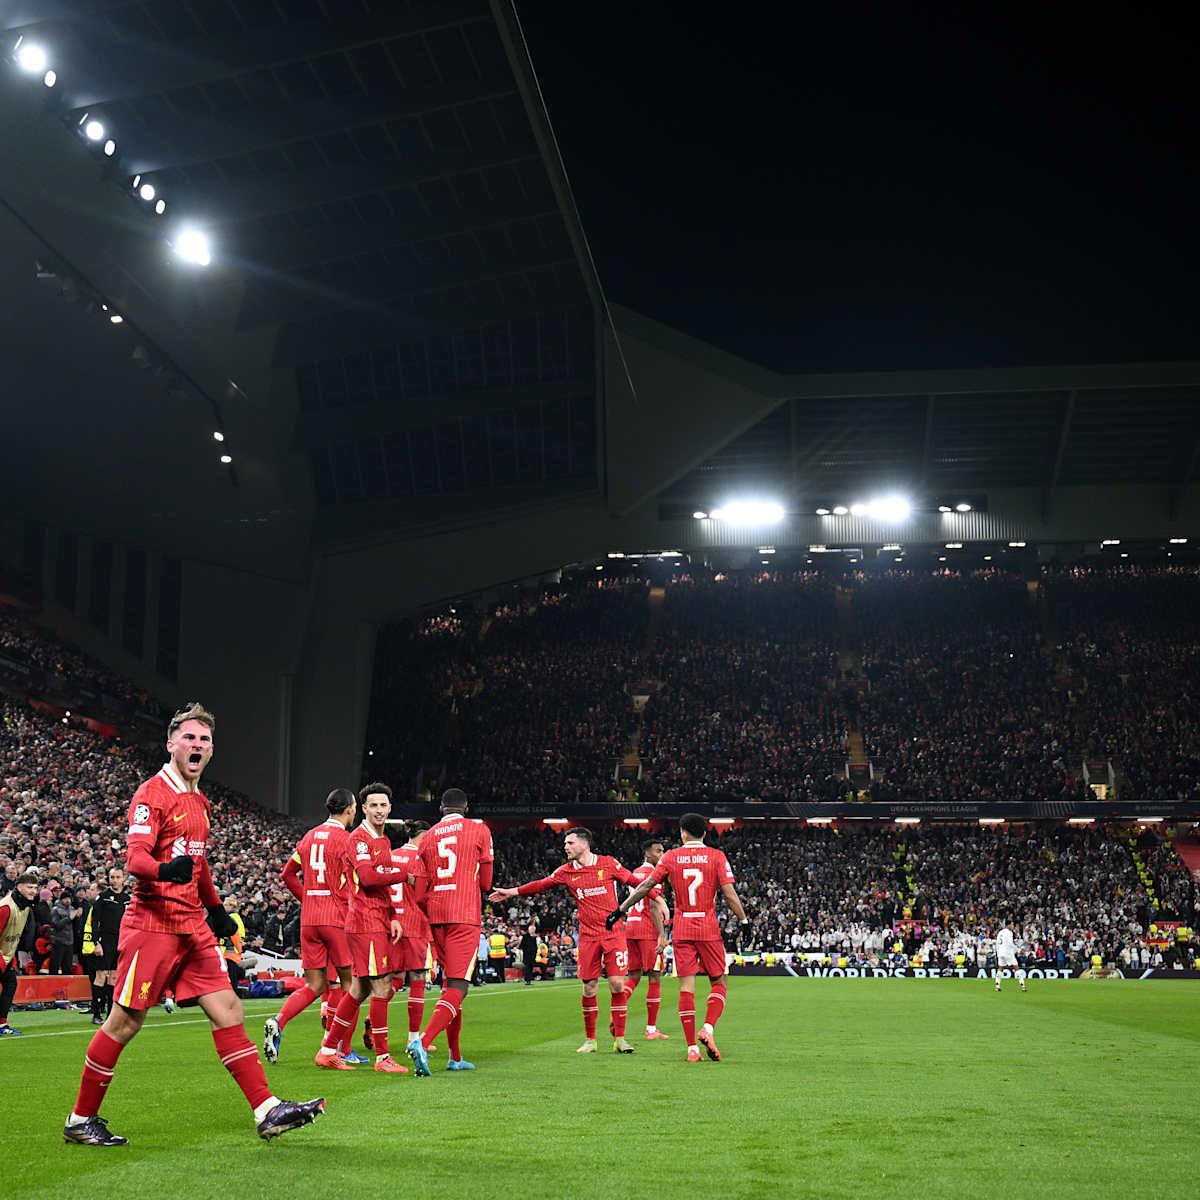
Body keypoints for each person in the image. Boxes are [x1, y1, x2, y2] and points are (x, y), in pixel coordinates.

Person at [62, 702, 325, 1145]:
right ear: (171, 744)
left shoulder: (200, 800)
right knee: (124, 1023)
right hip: (152, 924)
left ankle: (266, 1109)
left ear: (211, 748)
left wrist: (218, 912)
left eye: (204, 739)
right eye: (189, 737)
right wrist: (166, 872)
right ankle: (79, 1120)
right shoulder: (152, 793)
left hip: (192, 925)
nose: (197, 744)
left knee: (229, 1009)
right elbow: (136, 859)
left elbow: (198, 867)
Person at [609, 813, 747, 1063]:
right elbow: (729, 894)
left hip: (682, 931)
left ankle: (692, 1049)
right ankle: (708, 1028)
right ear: (705, 833)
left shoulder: (671, 857)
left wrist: (620, 909)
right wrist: (744, 920)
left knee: (686, 988)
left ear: (683, 832)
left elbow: (645, 887)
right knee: (719, 982)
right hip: (708, 929)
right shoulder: (716, 856)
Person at [491, 826, 639, 1055]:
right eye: (565, 844)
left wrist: (658, 900)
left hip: (614, 933)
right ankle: (590, 1040)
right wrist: (512, 892)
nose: (565, 847)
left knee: (618, 984)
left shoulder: (608, 863)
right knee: (589, 987)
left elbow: (634, 881)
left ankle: (620, 1038)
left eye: (569, 843)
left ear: (584, 844)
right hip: (589, 936)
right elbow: (541, 884)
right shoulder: (566, 871)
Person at [314, 782, 406, 1073]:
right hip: (364, 921)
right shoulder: (359, 840)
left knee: (358, 991)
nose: (379, 810)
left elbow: (382, 884)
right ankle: (382, 1058)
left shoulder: (384, 840)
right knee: (383, 986)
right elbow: (367, 878)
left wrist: (392, 914)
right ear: (362, 808)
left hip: (377, 919)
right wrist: (406, 873)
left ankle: (328, 1050)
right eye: (373, 805)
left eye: (383, 805)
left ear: (390, 808)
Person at [264, 788, 357, 1064]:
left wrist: (308, 897)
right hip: (336, 918)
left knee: (315, 984)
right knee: (351, 983)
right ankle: (340, 1049)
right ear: (350, 809)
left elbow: (287, 874)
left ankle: (279, 1021)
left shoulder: (308, 837)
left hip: (310, 919)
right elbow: (355, 881)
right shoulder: (346, 840)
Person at [407, 787, 493, 1076]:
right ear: (465, 807)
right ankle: (423, 1042)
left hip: (436, 915)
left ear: (441, 809)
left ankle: (455, 1057)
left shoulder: (427, 837)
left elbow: (418, 895)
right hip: (464, 914)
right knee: (459, 987)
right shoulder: (479, 830)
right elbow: (485, 883)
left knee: (449, 989)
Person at [386, 820, 433, 1050]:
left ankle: (372, 1018)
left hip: (391, 925)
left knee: (393, 979)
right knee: (417, 981)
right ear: (423, 836)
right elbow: (422, 895)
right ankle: (414, 1038)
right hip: (414, 925)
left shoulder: (391, 855)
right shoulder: (421, 859)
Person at [621, 839, 671, 1039]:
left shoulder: (634, 872)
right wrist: (661, 934)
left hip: (630, 927)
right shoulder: (654, 874)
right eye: (658, 851)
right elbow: (652, 906)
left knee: (633, 975)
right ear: (647, 854)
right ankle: (651, 1029)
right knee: (654, 976)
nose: (662, 854)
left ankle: (618, 1007)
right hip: (647, 930)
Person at [0, 873, 39, 1036]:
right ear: (19, 887)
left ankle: (2, 1024)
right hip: (1, 955)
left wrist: (11, 957)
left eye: (35, 888)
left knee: (10, 984)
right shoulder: (6, 907)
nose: (33, 891)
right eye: (29, 887)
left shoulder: (25, 906)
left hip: (7, 955)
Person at [91, 867, 130, 1022]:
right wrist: (96, 942)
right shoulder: (104, 897)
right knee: (100, 976)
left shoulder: (127, 898)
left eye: (117, 877)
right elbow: (94, 921)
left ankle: (110, 1014)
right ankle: (96, 1013)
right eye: (112, 877)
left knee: (113, 978)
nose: (114, 880)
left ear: (123, 878)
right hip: (104, 941)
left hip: (120, 942)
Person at [217, 895, 247, 989]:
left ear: (231, 906)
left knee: (231, 973)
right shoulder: (236, 917)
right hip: (233, 949)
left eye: (226, 905)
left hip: (230, 949)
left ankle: (232, 992)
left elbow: (233, 934)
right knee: (232, 973)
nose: (224, 907)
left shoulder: (231, 917)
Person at [994, 919, 1026, 992]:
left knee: (1000, 968)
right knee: (1016, 967)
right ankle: (1022, 985)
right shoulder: (1009, 932)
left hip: (1001, 953)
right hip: (1008, 953)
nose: (1013, 926)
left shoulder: (1000, 932)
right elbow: (1010, 944)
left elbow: (997, 943)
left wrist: (998, 953)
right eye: (1012, 925)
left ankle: (997, 985)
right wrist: (1018, 950)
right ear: (1008, 925)